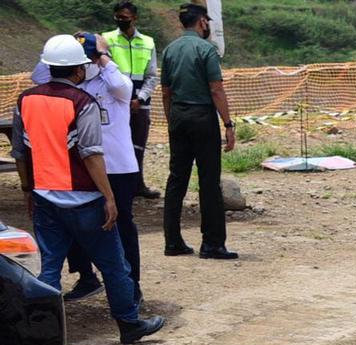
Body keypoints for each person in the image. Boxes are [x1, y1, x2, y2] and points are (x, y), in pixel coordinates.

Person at [13, 35, 164, 345]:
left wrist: (29, 189)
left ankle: (44, 333)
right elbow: (91, 154)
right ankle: (128, 324)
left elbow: (19, 151)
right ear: (79, 71)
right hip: (84, 198)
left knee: (50, 265)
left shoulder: (26, 100)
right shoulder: (83, 103)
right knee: (114, 265)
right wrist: (109, 197)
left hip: (44, 196)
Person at [32, 33, 144, 304]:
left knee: (121, 227)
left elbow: (123, 86)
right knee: (72, 226)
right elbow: (39, 76)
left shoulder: (111, 81)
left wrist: (103, 55)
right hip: (84, 167)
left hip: (117, 167)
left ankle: (132, 287)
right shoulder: (68, 85)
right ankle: (86, 276)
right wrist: (58, 48)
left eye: (91, 58)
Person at [160, 2, 237, 260]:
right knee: (208, 181)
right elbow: (216, 89)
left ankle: (173, 241)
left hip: (178, 116)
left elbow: (166, 91)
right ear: (202, 22)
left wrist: (172, 119)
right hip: (202, 117)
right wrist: (228, 124)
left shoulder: (170, 50)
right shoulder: (207, 50)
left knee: (176, 179)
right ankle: (212, 244)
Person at [102, 1, 161, 199]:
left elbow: (152, 76)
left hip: (140, 103)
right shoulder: (107, 39)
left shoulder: (147, 42)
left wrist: (140, 98)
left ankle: (138, 184)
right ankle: (115, 186)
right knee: (114, 144)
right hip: (114, 102)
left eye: (125, 18)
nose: (121, 21)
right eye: (118, 17)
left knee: (138, 144)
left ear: (134, 18)